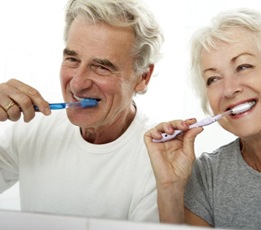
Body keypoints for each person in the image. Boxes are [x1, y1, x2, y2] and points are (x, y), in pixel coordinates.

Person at [0, 0, 163, 222]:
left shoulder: (159, 161)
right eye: (72, 59)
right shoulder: (34, 128)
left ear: (143, 77)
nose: (77, 84)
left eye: (102, 67)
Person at [144, 8, 261, 229]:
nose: (228, 90)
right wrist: (170, 188)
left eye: (243, 66)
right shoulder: (206, 175)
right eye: (213, 79)